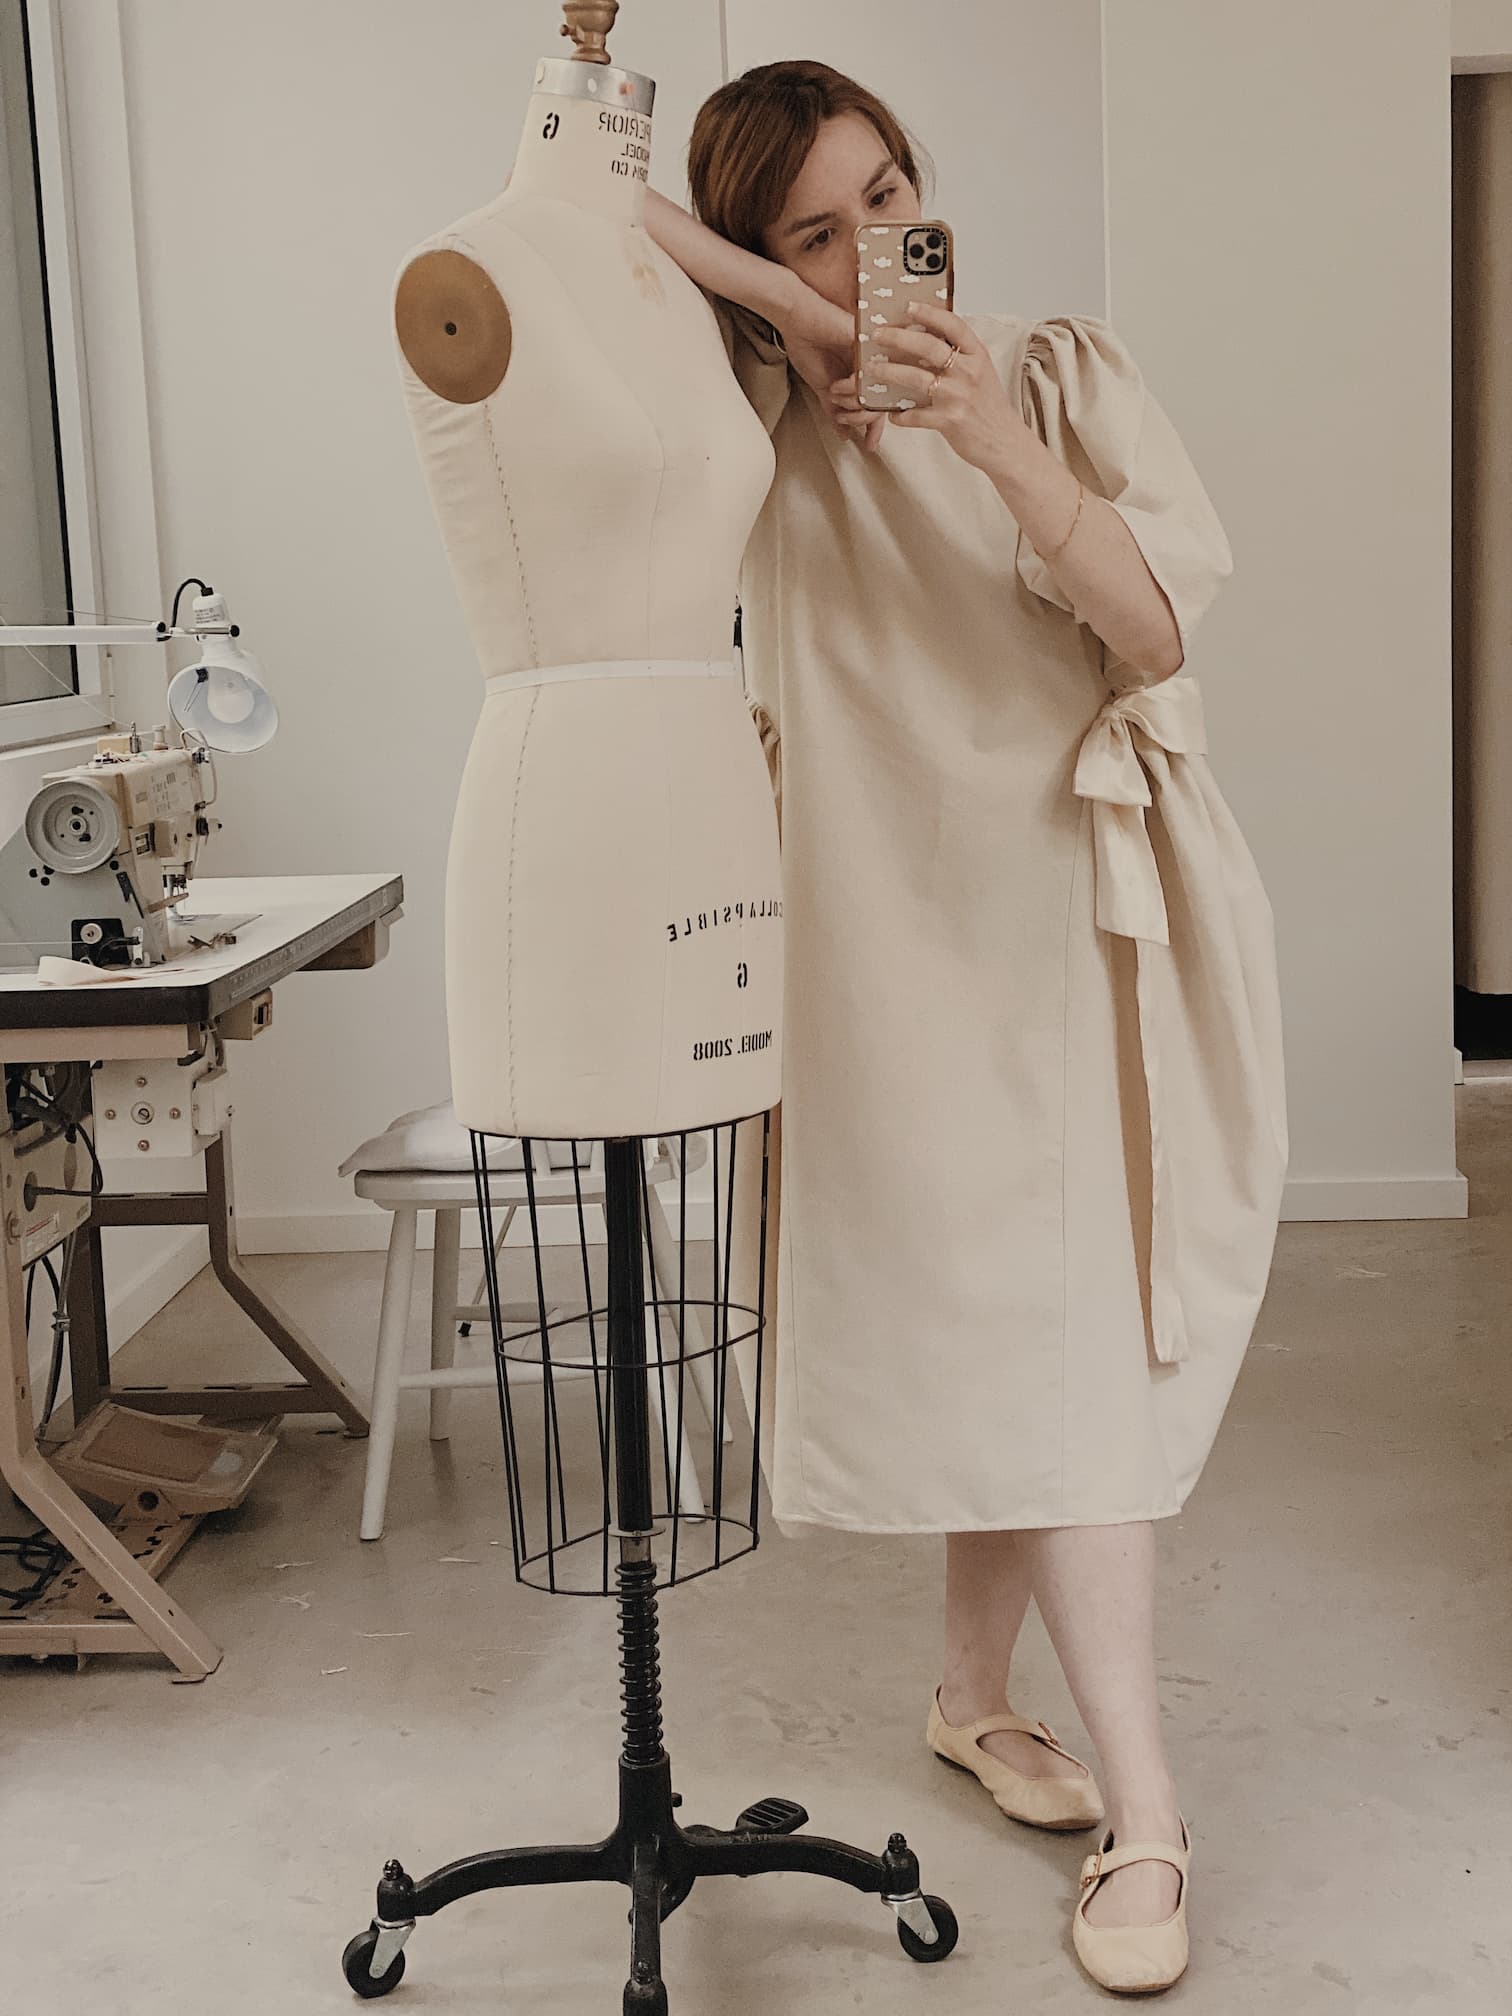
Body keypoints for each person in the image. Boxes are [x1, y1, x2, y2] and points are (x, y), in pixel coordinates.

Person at [645, 60, 1287, 1996]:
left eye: (890, 205)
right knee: (997, 1317)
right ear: (760, 278)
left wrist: (986, 427)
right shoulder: (753, 438)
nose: (863, 266)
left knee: (1067, 1340)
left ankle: (1148, 1811)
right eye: (810, 235)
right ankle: (964, 1693)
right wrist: (784, 322)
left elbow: (1156, 625)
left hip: (1070, 934)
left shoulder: (1056, 376)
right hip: (887, 947)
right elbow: (613, 243)